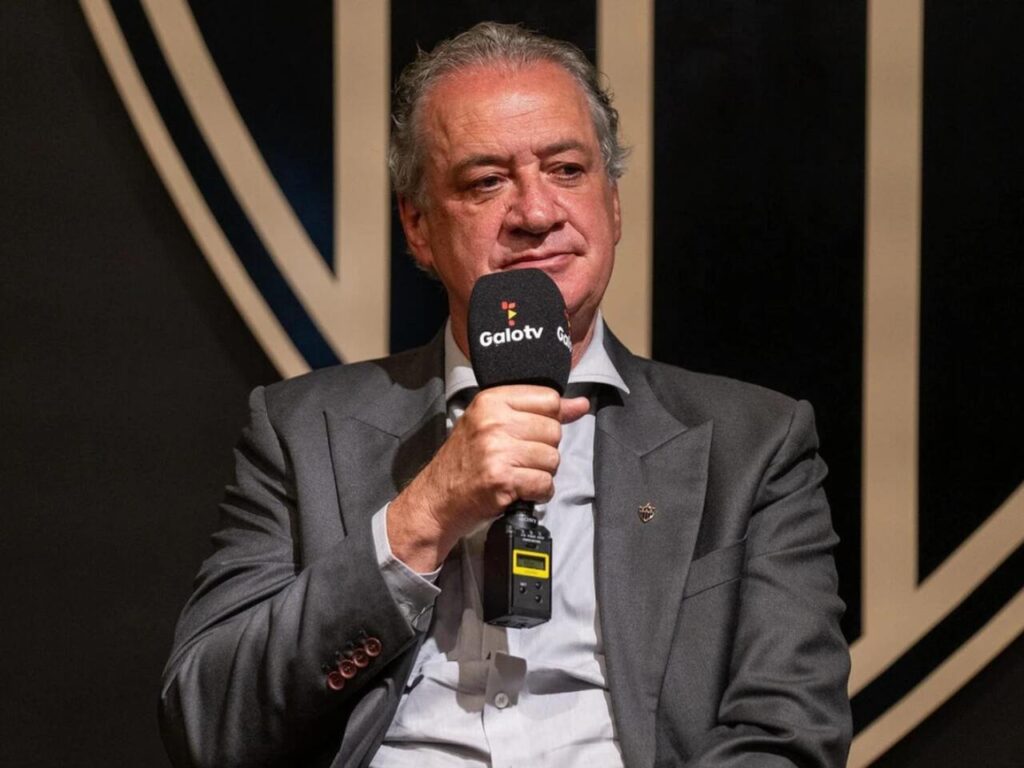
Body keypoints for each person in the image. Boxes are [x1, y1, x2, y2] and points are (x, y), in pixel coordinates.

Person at [159, 22, 851, 768]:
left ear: (614, 204)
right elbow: (209, 722)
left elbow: (788, 736)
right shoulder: (302, 431)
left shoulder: (753, 445)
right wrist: (422, 518)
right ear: (418, 226)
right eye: (486, 181)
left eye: (567, 170)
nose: (536, 213)